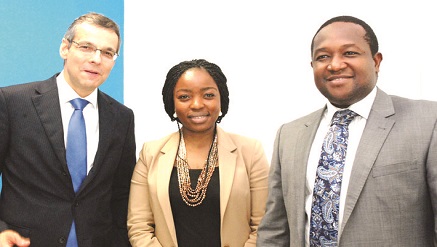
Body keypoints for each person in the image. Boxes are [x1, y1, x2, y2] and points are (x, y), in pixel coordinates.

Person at [257, 15, 437, 247]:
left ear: (376, 61)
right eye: (323, 57)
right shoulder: (289, 135)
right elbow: (274, 230)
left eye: (349, 53)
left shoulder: (427, 121)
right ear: (312, 66)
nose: (334, 64)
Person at [0, 12, 136, 247]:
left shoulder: (122, 117)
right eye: (86, 47)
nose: (96, 59)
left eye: (107, 53)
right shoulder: (12, 102)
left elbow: (121, 194)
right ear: (65, 48)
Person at [127, 59, 270, 247]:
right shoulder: (150, 153)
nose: (197, 104)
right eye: (184, 97)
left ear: (222, 100)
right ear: (172, 103)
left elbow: (264, 225)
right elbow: (139, 226)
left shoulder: (250, 152)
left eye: (208, 95)